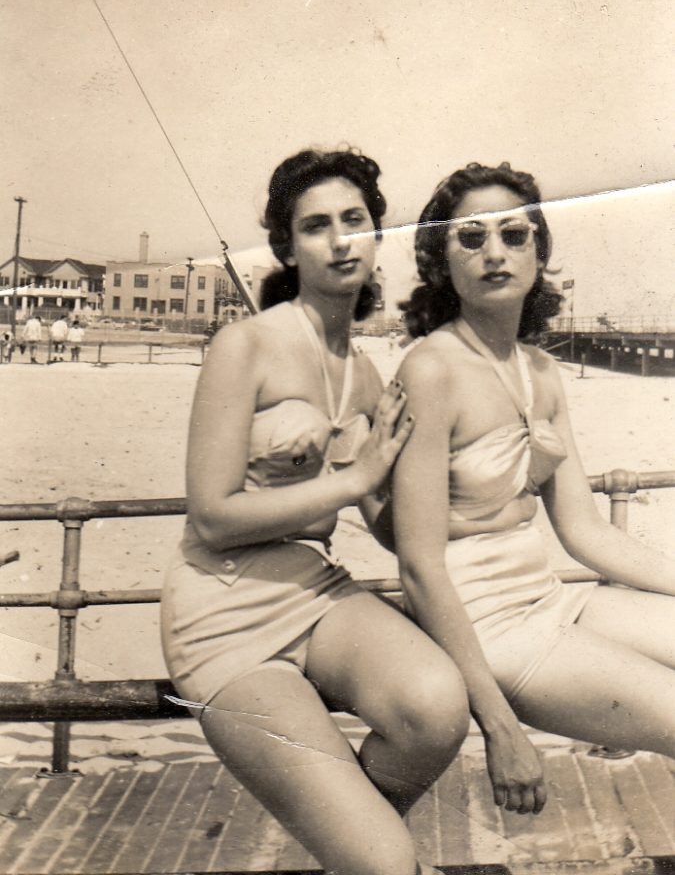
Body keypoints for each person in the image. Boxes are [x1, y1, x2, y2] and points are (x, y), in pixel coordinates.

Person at [161, 148, 469, 875]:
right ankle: (368, 853)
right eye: (315, 226)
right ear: (286, 247)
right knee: (386, 862)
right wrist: (354, 473)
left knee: (434, 706)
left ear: (374, 235)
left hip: (313, 585)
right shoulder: (244, 346)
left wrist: (417, 469)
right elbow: (210, 515)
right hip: (223, 607)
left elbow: (387, 524)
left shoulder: (365, 374)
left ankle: (357, 848)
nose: (338, 240)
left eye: (353, 221)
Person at [393, 161, 675, 818]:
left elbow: (584, 531)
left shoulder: (540, 372)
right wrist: (498, 727)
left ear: (538, 253)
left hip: (550, 602)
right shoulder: (429, 371)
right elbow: (416, 566)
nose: (494, 253)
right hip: (486, 631)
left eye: (513, 235)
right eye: (469, 238)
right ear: (439, 263)